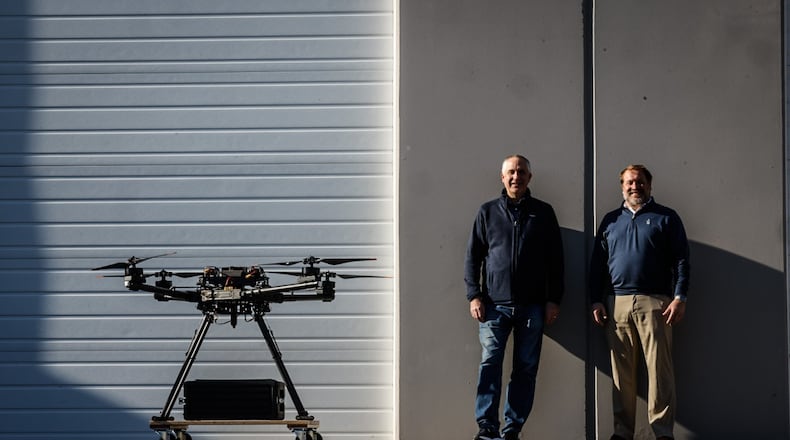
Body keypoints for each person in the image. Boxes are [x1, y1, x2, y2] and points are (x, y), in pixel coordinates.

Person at [464, 155, 564, 440]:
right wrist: (474, 295)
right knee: (490, 364)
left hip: (532, 307)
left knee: (526, 369)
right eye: (511, 172)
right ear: (502, 177)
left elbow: (556, 262)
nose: (516, 177)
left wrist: (553, 299)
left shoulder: (543, 213)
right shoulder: (487, 212)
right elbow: (473, 258)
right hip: (494, 307)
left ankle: (512, 430)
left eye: (521, 172)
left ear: (529, 178)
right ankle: (486, 428)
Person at [589, 164, 689, 440]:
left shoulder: (666, 218)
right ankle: (622, 432)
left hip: (656, 303)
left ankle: (662, 432)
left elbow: (682, 260)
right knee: (622, 374)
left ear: (649, 184)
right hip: (616, 304)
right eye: (630, 182)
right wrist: (596, 299)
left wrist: (679, 297)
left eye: (640, 182)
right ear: (622, 186)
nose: (635, 187)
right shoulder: (611, 220)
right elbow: (598, 264)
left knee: (660, 371)